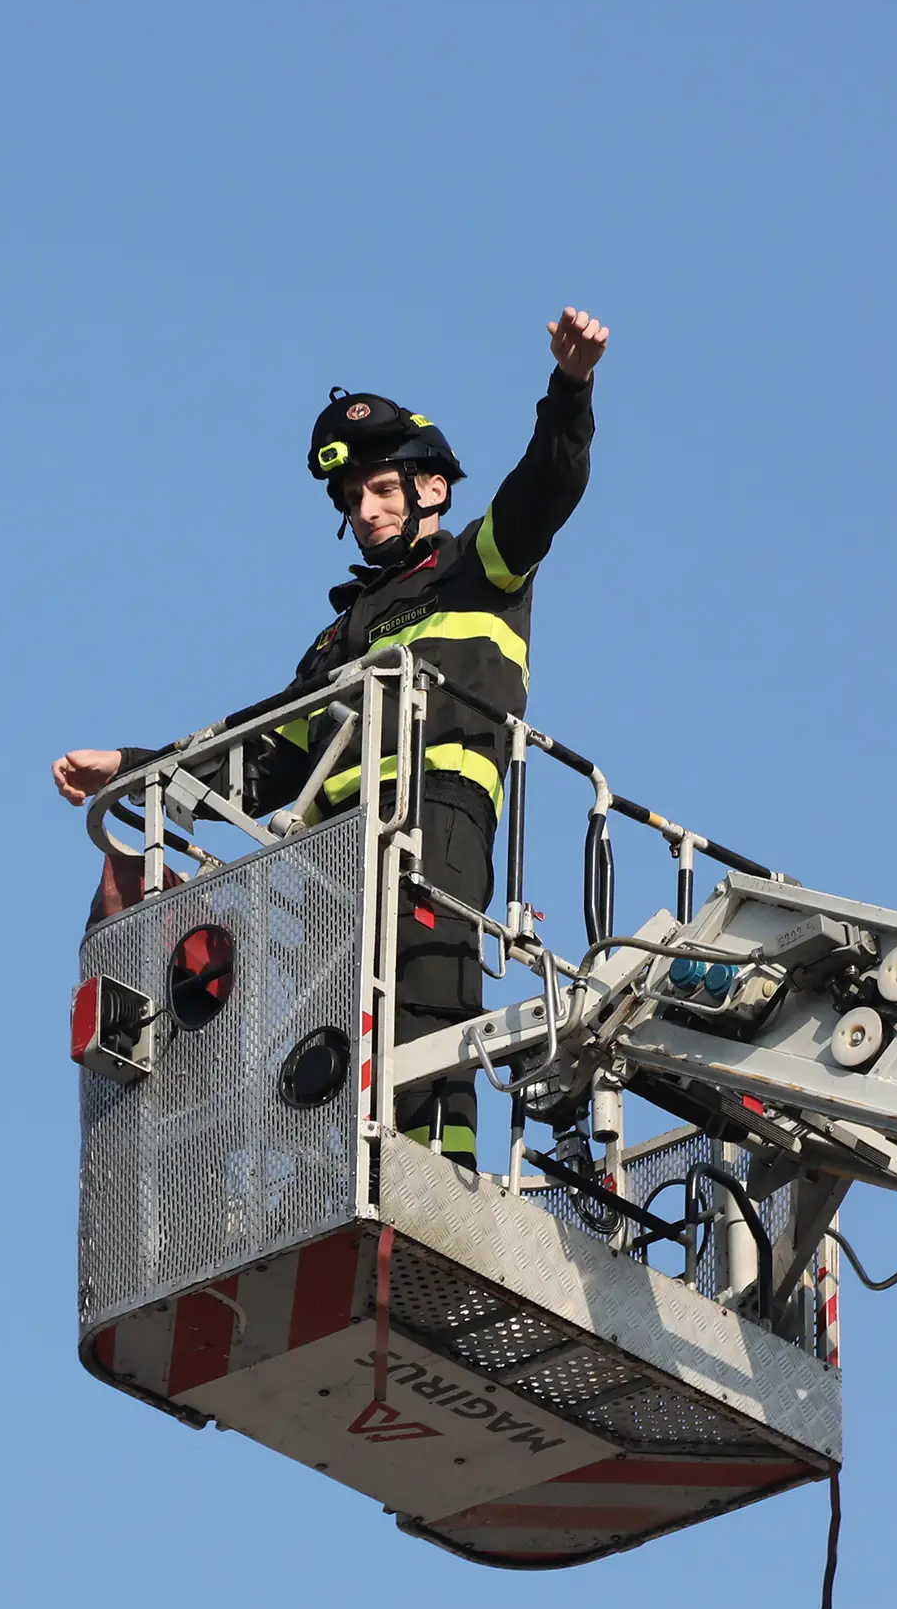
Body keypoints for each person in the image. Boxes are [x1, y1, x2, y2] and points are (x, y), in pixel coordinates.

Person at [52, 307, 609, 1169]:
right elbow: (262, 755)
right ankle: (337, 1173)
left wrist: (568, 390)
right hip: (329, 848)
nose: (366, 511)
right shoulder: (340, 636)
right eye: (353, 500)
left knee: (425, 999)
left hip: (436, 817)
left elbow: (544, 487)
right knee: (323, 1018)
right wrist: (135, 770)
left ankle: (435, 1179)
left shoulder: (478, 567)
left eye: (382, 490)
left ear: (431, 489)